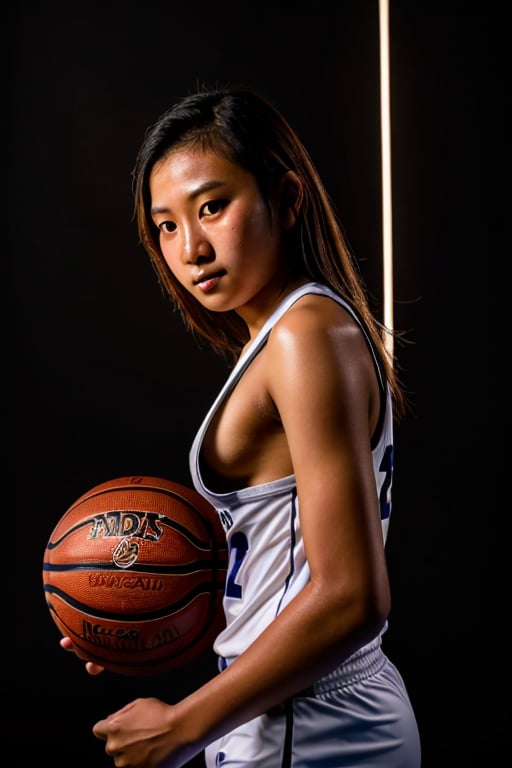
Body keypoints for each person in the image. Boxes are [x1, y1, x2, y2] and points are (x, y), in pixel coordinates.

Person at [61, 85, 421, 767]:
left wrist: (183, 725)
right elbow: (278, 570)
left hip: (310, 725)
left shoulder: (304, 336)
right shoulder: (293, 332)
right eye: (166, 225)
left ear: (286, 199)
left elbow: (351, 596)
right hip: (294, 709)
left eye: (213, 207)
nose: (190, 247)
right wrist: (130, 613)